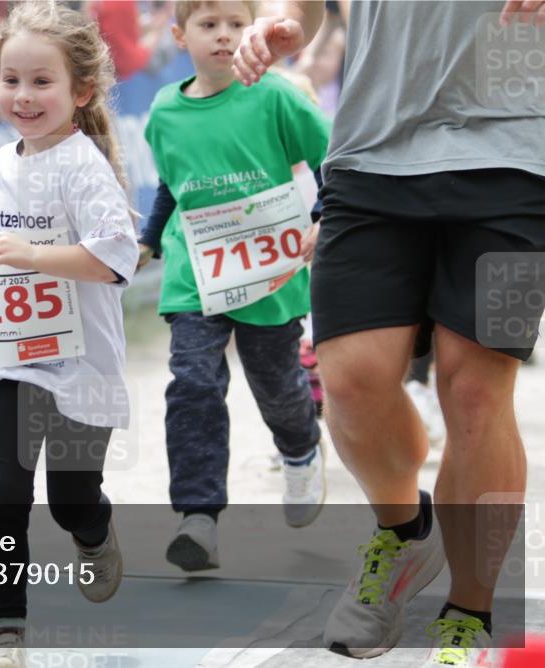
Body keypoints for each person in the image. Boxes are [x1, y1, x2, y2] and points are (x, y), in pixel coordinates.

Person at [235, 1, 545, 665]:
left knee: (477, 392)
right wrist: (282, 21)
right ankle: (404, 531)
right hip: (372, 154)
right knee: (350, 380)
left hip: (521, 160)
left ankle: (470, 615)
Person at [0, 4, 138, 666]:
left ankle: (93, 530)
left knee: (70, 499)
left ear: (82, 91)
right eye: (11, 79)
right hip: (14, 353)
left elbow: (113, 259)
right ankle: (5, 632)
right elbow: (11, 238)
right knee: (3, 490)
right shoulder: (1, 162)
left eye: (42, 82)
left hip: (83, 362)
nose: (23, 95)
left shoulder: (84, 166)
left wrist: (31, 256)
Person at [138, 0, 329, 573]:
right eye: (208, 25)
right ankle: (197, 516)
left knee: (275, 383)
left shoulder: (276, 96)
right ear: (180, 36)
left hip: (269, 271)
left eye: (237, 25)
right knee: (193, 381)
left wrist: (326, 214)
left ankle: (300, 448)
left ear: (255, 32)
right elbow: (172, 184)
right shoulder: (164, 110)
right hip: (195, 271)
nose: (224, 36)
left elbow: (334, 155)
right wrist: (148, 240)